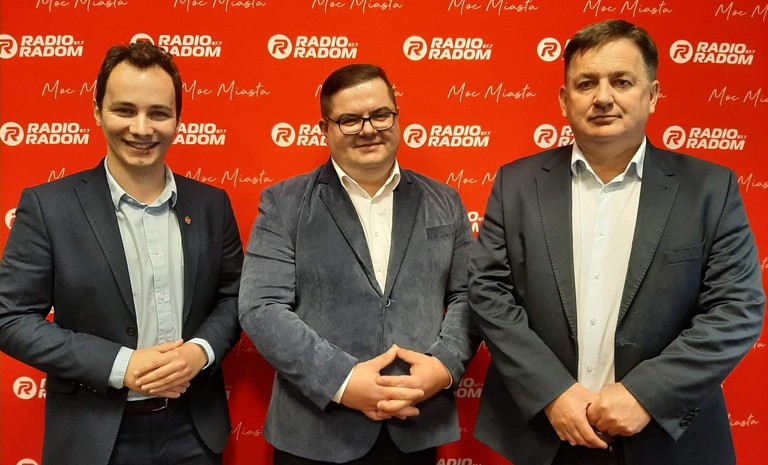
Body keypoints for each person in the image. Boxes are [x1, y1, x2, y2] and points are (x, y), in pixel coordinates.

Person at [469, 19, 765, 465]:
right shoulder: (517, 184)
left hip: (667, 440)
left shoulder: (709, 189)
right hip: (546, 435)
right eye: (586, 83)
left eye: (622, 82)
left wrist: (646, 394)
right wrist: (552, 392)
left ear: (653, 94)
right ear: (564, 100)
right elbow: (488, 293)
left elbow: (736, 309)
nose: (603, 97)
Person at [0, 41, 243, 465]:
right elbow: (10, 318)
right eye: (125, 110)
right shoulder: (49, 207)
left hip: (195, 432)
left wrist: (199, 351)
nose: (142, 129)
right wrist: (120, 364)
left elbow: (235, 297)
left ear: (178, 119)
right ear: (97, 111)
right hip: (94, 436)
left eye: (159, 113)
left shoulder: (212, 204)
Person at [239, 63, 477, 464]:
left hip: (414, 427)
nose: (368, 129)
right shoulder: (283, 203)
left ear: (396, 117)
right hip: (315, 433)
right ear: (325, 129)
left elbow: (469, 295)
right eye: (349, 120)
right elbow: (261, 307)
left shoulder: (445, 201)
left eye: (380, 115)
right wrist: (343, 380)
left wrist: (444, 365)